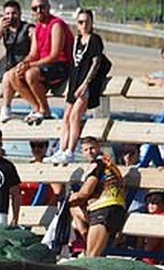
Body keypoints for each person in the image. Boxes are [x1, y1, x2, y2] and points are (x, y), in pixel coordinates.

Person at [46, 9, 109, 165]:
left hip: (85, 84)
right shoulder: (77, 40)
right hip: (74, 82)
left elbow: (96, 63)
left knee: (75, 116)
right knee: (66, 117)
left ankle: (70, 150)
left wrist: (85, 84)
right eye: (81, 22)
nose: (84, 25)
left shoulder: (94, 40)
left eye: (87, 21)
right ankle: (62, 149)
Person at [5, 1, 73, 125]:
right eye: (35, 8)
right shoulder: (37, 28)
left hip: (60, 66)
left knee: (31, 74)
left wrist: (30, 65)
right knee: (13, 74)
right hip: (43, 66)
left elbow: (55, 55)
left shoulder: (56, 25)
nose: (38, 11)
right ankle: (38, 108)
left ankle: (44, 110)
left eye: (42, 7)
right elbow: (33, 54)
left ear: (48, 7)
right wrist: (23, 63)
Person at [67, 136, 126, 257]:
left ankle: (86, 239)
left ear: (98, 148)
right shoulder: (106, 162)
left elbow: (85, 192)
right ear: (82, 152)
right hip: (110, 208)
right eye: (86, 149)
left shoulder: (99, 164)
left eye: (92, 148)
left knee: (92, 257)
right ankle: (85, 236)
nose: (89, 152)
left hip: (107, 208)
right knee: (73, 209)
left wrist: (69, 199)